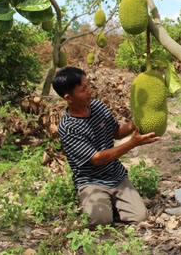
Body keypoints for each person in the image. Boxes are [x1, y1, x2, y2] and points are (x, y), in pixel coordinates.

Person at [52, 66, 160, 227]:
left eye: (88, 86)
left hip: (115, 176)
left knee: (140, 217)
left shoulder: (98, 106)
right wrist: (132, 143)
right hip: (91, 181)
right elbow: (97, 159)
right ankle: (101, 204)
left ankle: (114, 204)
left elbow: (116, 132)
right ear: (68, 97)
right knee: (100, 222)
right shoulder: (68, 127)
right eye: (83, 90)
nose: (89, 91)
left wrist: (138, 121)